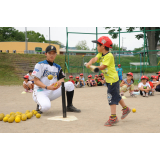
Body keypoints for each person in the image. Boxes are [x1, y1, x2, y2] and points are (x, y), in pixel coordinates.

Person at [86, 36, 131, 126]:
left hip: (112, 80)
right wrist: (90, 63)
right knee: (116, 96)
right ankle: (126, 109)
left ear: (103, 46)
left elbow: (103, 67)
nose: (96, 47)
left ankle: (113, 117)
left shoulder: (109, 56)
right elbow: (94, 59)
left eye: (98, 45)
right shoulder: (100, 54)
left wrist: (93, 67)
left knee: (111, 97)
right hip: (110, 80)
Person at [32, 45, 81, 114]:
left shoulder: (57, 67)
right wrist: (47, 87)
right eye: (49, 53)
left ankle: (69, 106)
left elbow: (62, 79)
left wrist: (58, 82)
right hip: (41, 91)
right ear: (46, 54)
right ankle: (40, 104)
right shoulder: (40, 65)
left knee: (70, 84)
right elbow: (36, 81)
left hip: (52, 91)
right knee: (46, 107)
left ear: (56, 54)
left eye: (53, 53)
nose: (51, 55)